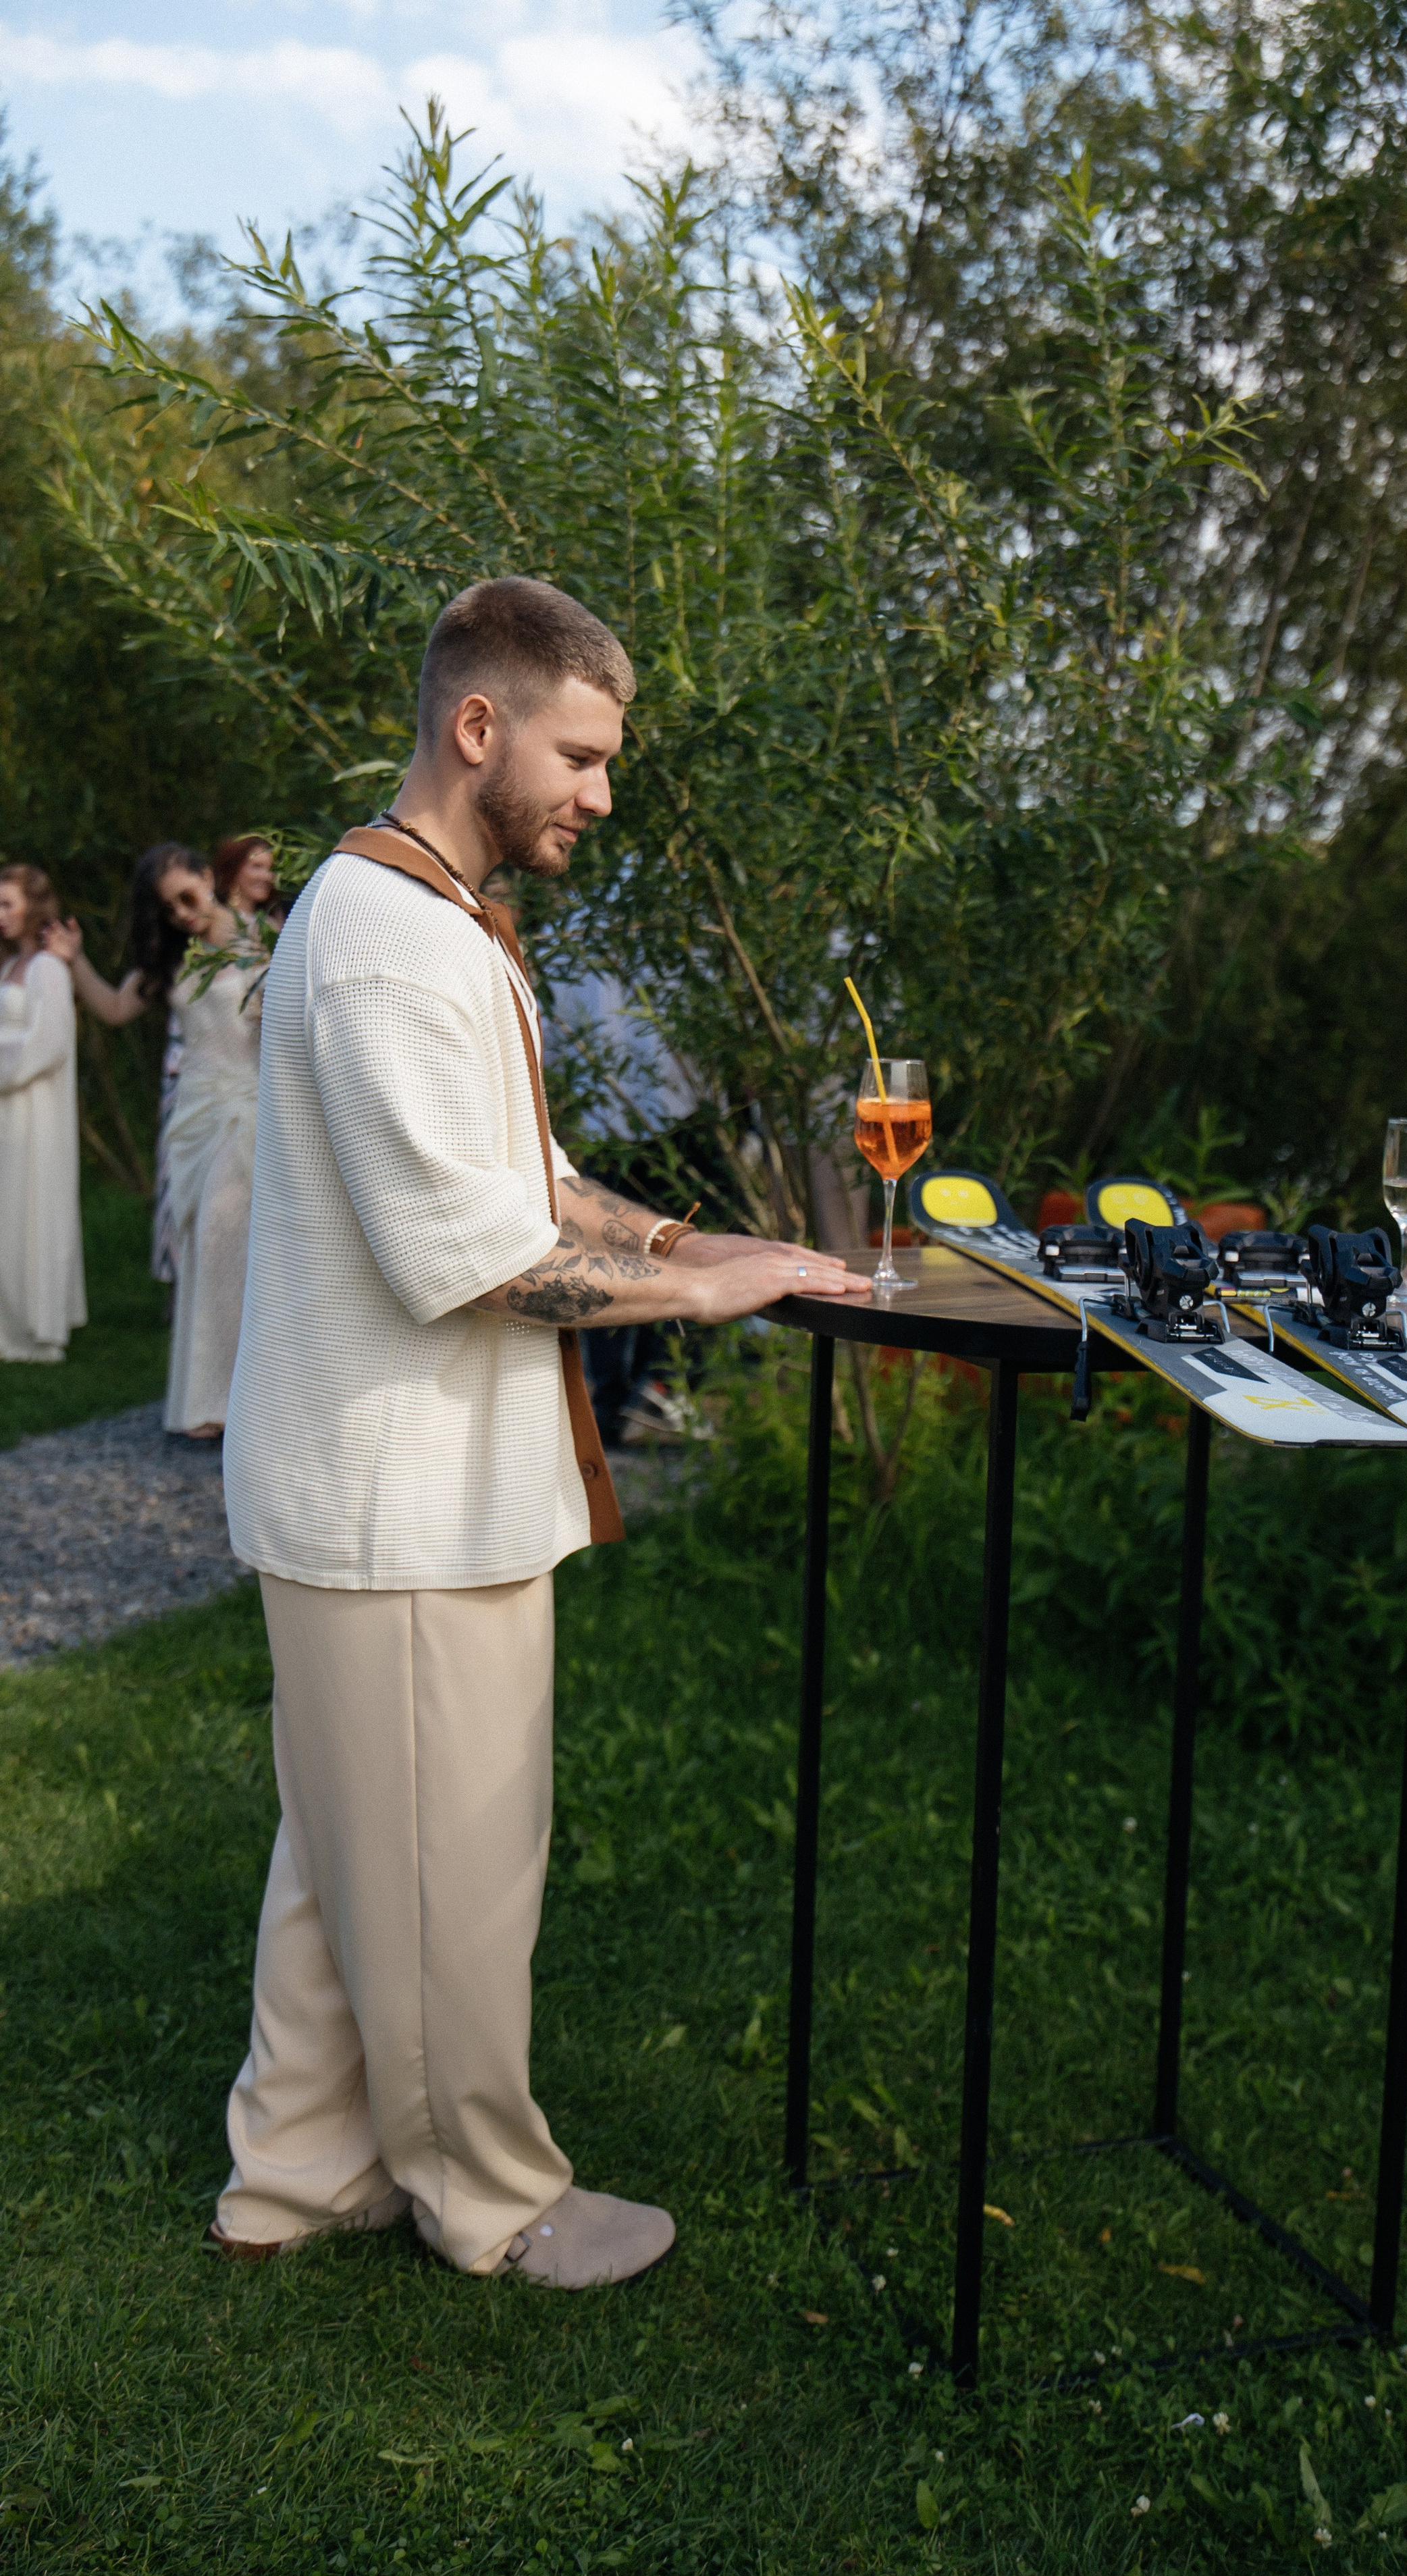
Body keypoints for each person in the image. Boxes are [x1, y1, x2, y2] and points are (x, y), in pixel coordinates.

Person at [213, 574, 870, 2290]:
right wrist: (696, 1305)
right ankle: (490, 2195)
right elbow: (480, 1256)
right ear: (476, 725)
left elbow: (540, 1186)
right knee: (449, 1864)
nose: (596, 794)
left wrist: (682, 1240)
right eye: (579, 756)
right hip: (399, 1498)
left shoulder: (428, 920)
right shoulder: (382, 940)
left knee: (345, 1852)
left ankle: (293, 2167)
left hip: (386, 1490)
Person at [48, 845, 265, 1436]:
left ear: (206, 878)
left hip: (247, 1110)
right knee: (203, 1243)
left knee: (228, 1232)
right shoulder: (177, 956)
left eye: (188, 897)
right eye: (169, 909)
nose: (183, 914)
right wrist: (73, 963)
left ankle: (243, 1402)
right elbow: (117, 1008)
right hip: (195, 1115)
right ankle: (206, 1403)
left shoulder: (262, 939)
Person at [0, 864, 86, 1363]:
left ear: (33, 909)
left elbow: (50, 1042)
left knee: (32, 1206)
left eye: (8, 904)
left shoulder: (48, 969)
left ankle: (37, 1325)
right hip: (9, 1109)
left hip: (35, 1111)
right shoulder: (9, 967)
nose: (2, 915)